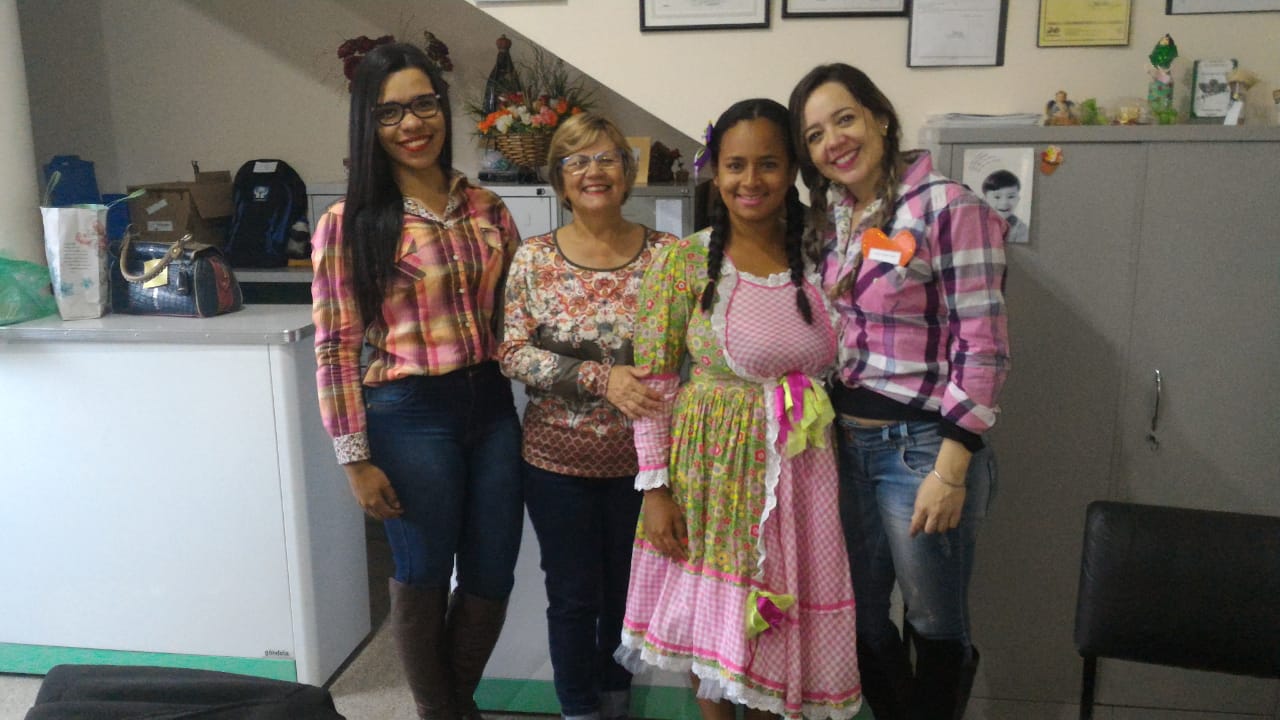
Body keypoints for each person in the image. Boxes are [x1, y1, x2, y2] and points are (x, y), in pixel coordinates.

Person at [615, 98, 862, 720]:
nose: (751, 181)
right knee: (715, 631)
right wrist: (655, 489)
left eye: (768, 164)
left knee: (781, 623)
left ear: (793, 170)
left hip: (803, 475)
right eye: (735, 165)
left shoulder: (825, 255)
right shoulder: (684, 263)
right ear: (715, 171)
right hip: (712, 472)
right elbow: (652, 385)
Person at [789, 63, 1010, 720]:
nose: (834, 141)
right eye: (815, 134)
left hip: (921, 450)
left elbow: (983, 343)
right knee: (857, 617)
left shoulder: (949, 208)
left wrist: (951, 467)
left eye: (845, 119)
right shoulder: (834, 217)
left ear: (881, 117)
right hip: (842, 445)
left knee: (934, 623)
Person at [311, 42, 524, 720]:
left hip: (491, 407)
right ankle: (445, 713)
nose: (412, 124)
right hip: (408, 416)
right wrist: (354, 458)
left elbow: (521, 317)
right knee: (424, 572)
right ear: (368, 126)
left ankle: (450, 708)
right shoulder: (348, 224)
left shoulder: (487, 207)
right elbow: (335, 347)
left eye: (424, 105)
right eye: (390, 112)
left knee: (493, 572)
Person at [498, 112, 677, 720]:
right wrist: (603, 378)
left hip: (646, 467)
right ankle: (578, 710)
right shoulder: (533, 259)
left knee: (628, 595)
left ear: (628, 172)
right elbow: (512, 352)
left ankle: (617, 701)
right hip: (557, 463)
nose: (593, 171)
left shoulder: (668, 256)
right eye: (576, 161)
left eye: (606, 158)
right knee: (573, 598)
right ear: (560, 179)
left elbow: (690, 351)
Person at [981, 170, 1029, 244]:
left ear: (1018, 199)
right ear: (984, 200)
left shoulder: (1021, 229)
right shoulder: (977, 223)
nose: (1004, 202)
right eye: (997, 197)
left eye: (1011, 197)